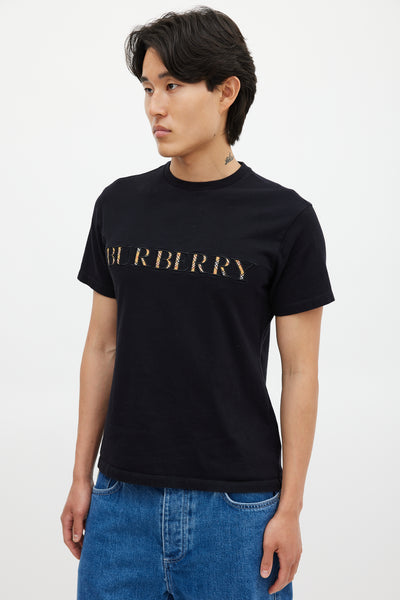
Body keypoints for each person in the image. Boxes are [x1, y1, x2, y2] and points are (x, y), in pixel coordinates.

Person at [60, 6, 335, 599]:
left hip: (237, 512)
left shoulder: (286, 219)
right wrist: (81, 477)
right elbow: (102, 346)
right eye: (147, 88)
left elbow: (301, 372)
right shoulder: (118, 205)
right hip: (120, 502)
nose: (154, 107)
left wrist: (289, 508)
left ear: (226, 92)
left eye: (173, 86)